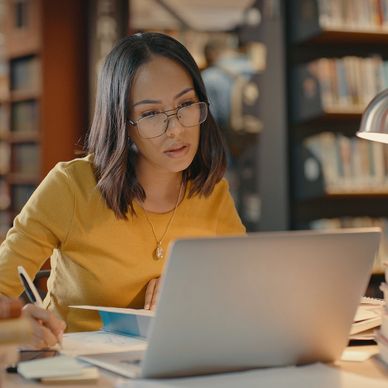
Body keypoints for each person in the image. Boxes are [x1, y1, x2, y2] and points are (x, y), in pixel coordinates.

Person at [0, 32, 245, 342]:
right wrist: (16, 325)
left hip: (175, 363)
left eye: (185, 104)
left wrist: (197, 288)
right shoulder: (70, 187)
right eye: (151, 114)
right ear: (122, 123)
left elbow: (243, 293)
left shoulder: (212, 193)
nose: (177, 129)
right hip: (79, 370)